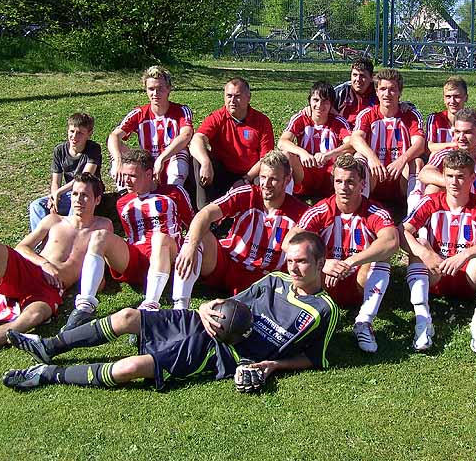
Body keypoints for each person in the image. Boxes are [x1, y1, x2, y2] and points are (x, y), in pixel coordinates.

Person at [2, 231, 338, 391]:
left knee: (130, 367)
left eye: (301, 262)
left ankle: (47, 374)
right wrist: (204, 307)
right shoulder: (275, 280)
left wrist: (272, 365)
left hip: (222, 352)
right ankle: (49, 346)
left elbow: (314, 357)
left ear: (320, 262)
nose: (293, 268)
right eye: (290, 260)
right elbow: (232, 303)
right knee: (127, 316)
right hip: (204, 321)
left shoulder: (324, 310)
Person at [0, 174, 111, 373]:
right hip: (32, 270)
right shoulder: (54, 220)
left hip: (50, 290)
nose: (78, 200)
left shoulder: (103, 226)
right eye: (75, 194)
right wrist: (44, 263)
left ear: (97, 199)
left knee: (34, 316)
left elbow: (100, 266)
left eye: (85, 195)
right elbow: (22, 247)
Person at [61, 149, 194, 331]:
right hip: (136, 260)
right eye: (124, 175)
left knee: (159, 238)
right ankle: (84, 307)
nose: (126, 181)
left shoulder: (173, 193)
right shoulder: (123, 202)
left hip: (167, 257)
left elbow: (193, 226)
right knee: (99, 236)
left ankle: (149, 306)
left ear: (149, 174)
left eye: (132, 176)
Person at [284, 154, 399, 353]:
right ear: (333, 183)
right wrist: (324, 263)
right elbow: (288, 242)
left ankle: (364, 321)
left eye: (350, 182)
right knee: (301, 255)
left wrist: (351, 262)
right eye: (339, 181)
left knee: (383, 255)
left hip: (360, 281)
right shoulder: (322, 209)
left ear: (362, 184)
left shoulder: (374, 211)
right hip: (325, 283)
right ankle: (304, 312)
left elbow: (392, 241)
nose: (344, 187)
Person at [400, 151, 476, 352]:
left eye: (460, 176)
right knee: (419, 243)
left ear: (472, 178)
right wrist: (425, 253)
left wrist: (466, 254)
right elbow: (401, 230)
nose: (454, 182)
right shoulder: (431, 201)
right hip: (436, 273)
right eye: (449, 176)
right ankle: (422, 322)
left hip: (469, 275)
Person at [171, 150, 308, 308]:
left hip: (264, 278)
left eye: (274, 179)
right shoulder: (247, 193)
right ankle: (180, 308)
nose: (266, 184)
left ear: (287, 180)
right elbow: (205, 214)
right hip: (228, 263)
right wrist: (190, 245)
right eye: (263, 177)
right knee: (198, 237)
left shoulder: (301, 213)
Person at [190, 77, 274, 205]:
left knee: (267, 175)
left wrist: (246, 179)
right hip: (223, 172)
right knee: (198, 159)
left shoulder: (262, 121)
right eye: (229, 96)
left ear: (248, 97)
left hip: (251, 173)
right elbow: (197, 139)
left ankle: (263, 211)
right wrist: (206, 162)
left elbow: (266, 158)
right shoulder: (217, 117)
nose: (232, 101)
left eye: (237, 96)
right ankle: (205, 209)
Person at [350, 68, 426, 208]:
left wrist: (402, 160)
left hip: (400, 177)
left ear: (400, 92)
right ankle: (361, 209)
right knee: (359, 157)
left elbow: (420, 144)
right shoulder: (367, 114)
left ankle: (413, 213)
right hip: (374, 177)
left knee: (417, 162)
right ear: (377, 92)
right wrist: (372, 157)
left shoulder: (410, 115)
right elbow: (356, 138)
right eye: (383, 89)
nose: (387, 94)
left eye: (392, 89)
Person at [108, 66, 194, 187]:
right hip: (147, 164)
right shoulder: (139, 113)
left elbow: (186, 135)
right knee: (117, 152)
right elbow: (114, 136)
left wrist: (161, 159)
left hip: (170, 161)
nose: (155, 93)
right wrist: (118, 161)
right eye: (151, 89)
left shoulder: (181, 111)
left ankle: (173, 191)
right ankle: (126, 193)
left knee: (181, 152)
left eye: (160, 89)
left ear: (169, 89)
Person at [278, 80, 353, 197]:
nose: (319, 105)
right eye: (316, 100)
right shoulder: (301, 119)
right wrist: (302, 153)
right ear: (309, 101)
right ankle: (285, 198)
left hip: (330, 174)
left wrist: (329, 155)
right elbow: (282, 142)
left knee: (348, 156)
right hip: (304, 173)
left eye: (325, 101)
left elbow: (352, 145)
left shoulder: (338, 121)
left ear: (331, 104)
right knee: (286, 154)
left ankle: (347, 198)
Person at [28, 112, 102, 231]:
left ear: (89, 134)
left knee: (75, 205)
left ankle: (68, 237)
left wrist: (58, 193)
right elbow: (55, 181)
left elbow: (84, 178)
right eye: (72, 131)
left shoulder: (93, 149)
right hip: (68, 193)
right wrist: (54, 197)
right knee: (36, 205)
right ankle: (41, 240)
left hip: (87, 192)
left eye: (80, 133)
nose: (74, 136)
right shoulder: (60, 150)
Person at [419, 108, 476, 197]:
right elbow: (425, 173)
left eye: (467, 132)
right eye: (457, 132)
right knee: (433, 188)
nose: (461, 137)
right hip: (455, 203)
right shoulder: (446, 154)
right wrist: (458, 184)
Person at [425, 77, 476, 153]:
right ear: (444, 99)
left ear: (466, 98)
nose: (452, 101)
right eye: (448, 97)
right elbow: (429, 147)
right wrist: (460, 145)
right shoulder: (435, 119)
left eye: (457, 96)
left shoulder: (473, 119)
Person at [333, 59, 379, 126]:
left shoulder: (379, 92)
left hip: (371, 129)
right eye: (355, 75)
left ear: (371, 77)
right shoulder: (341, 91)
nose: (358, 79)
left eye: (362, 76)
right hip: (344, 130)